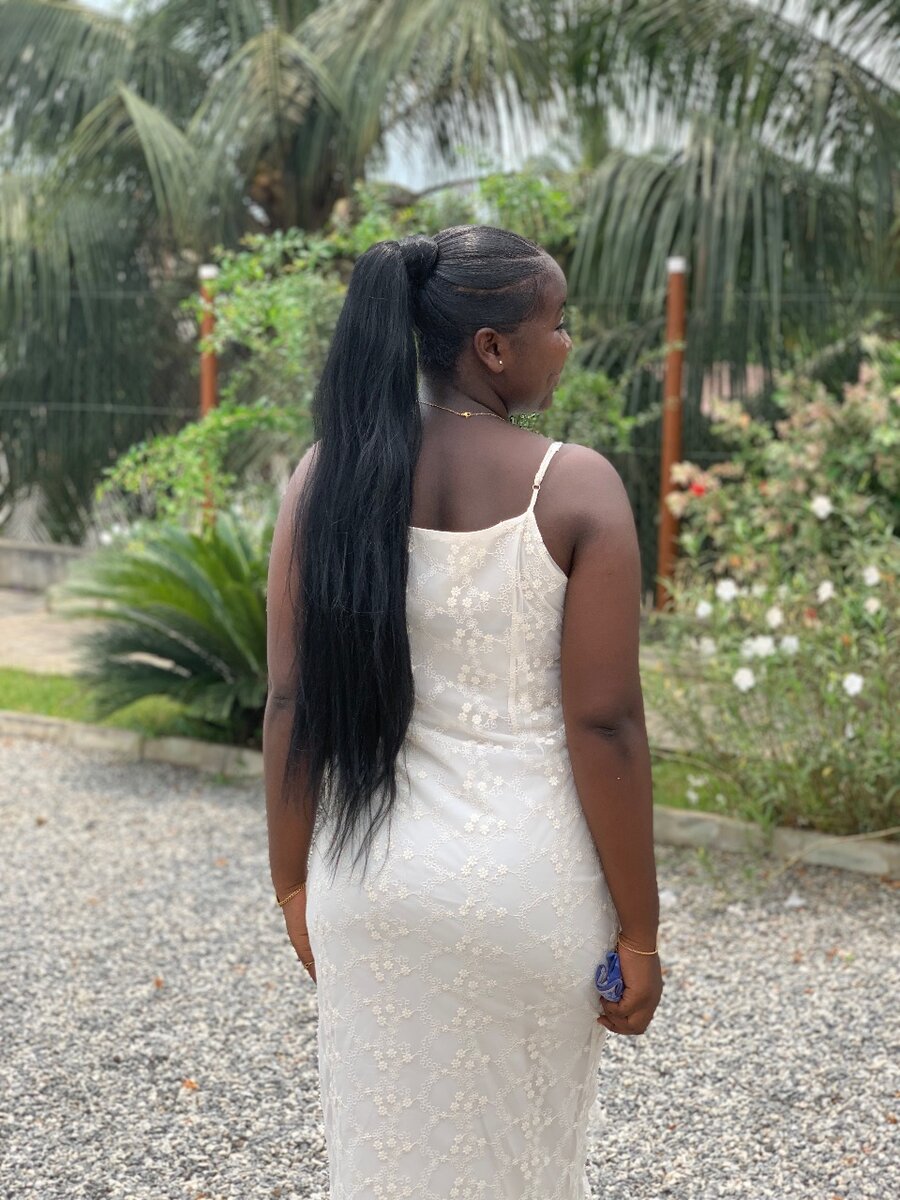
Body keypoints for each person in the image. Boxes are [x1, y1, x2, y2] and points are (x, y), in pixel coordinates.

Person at [263, 225, 663, 1199]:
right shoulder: (574, 485)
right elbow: (605, 725)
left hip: (365, 884)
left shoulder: (326, 476)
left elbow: (290, 701)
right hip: (526, 891)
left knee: (386, 1164)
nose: (567, 343)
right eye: (556, 324)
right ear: (492, 347)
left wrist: (292, 884)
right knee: (522, 1162)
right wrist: (642, 934)